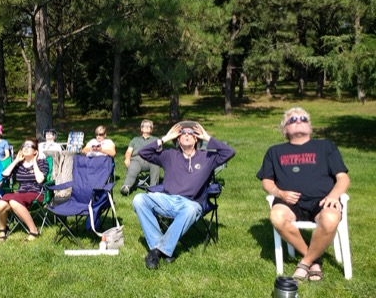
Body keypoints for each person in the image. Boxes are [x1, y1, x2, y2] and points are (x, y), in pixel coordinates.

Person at [257, 107, 350, 282]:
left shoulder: (325, 146)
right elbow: (266, 182)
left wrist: (333, 196)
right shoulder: (274, 151)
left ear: (310, 127)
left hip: (322, 201)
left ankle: (305, 262)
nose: (298, 121)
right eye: (292, 120)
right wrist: (280, 193)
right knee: (277, 216)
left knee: (330, 218)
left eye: (303, 119)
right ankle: (314, 259)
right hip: (289, 202)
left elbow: (343, 177)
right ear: (285, 129)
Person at [133, 121, 235, 269]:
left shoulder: (208, 157)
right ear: (178, 140)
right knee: (139, 199)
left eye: (191, 134)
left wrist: (207, 137)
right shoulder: (169, 155)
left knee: (192, 209)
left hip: (190, 204)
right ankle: (164, 249)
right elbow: (143, 153)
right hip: (167, 199)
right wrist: (165, 138)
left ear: (196, 139)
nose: (187, 135)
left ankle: (156, 251)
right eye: (183, 134)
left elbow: (229, 152)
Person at [0, 138, 49, 241]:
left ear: (35, 151)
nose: (25, 148)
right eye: (24, 146)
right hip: (21, 193)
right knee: (1, 203)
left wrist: (34, 162)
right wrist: (16, 160)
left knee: (14, 201)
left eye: (29, 146)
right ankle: (3, 229)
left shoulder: (42, 162)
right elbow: (4, 175)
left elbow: (40, 180)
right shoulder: (19, 164)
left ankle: (33, 230)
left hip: (36, 193)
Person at [120, 119, 161, 196]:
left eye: (149, 126)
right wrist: (127, 159)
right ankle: (126, 187)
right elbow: (129, 151)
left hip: (150, 159)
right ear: (141, 129)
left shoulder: (156, 139)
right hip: (137, 159)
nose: (146, 127)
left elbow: (159, 151)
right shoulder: (135, 140)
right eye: (144, 126)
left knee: (156, 164)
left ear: (151, 129)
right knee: (132, 168)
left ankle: (153, 189)